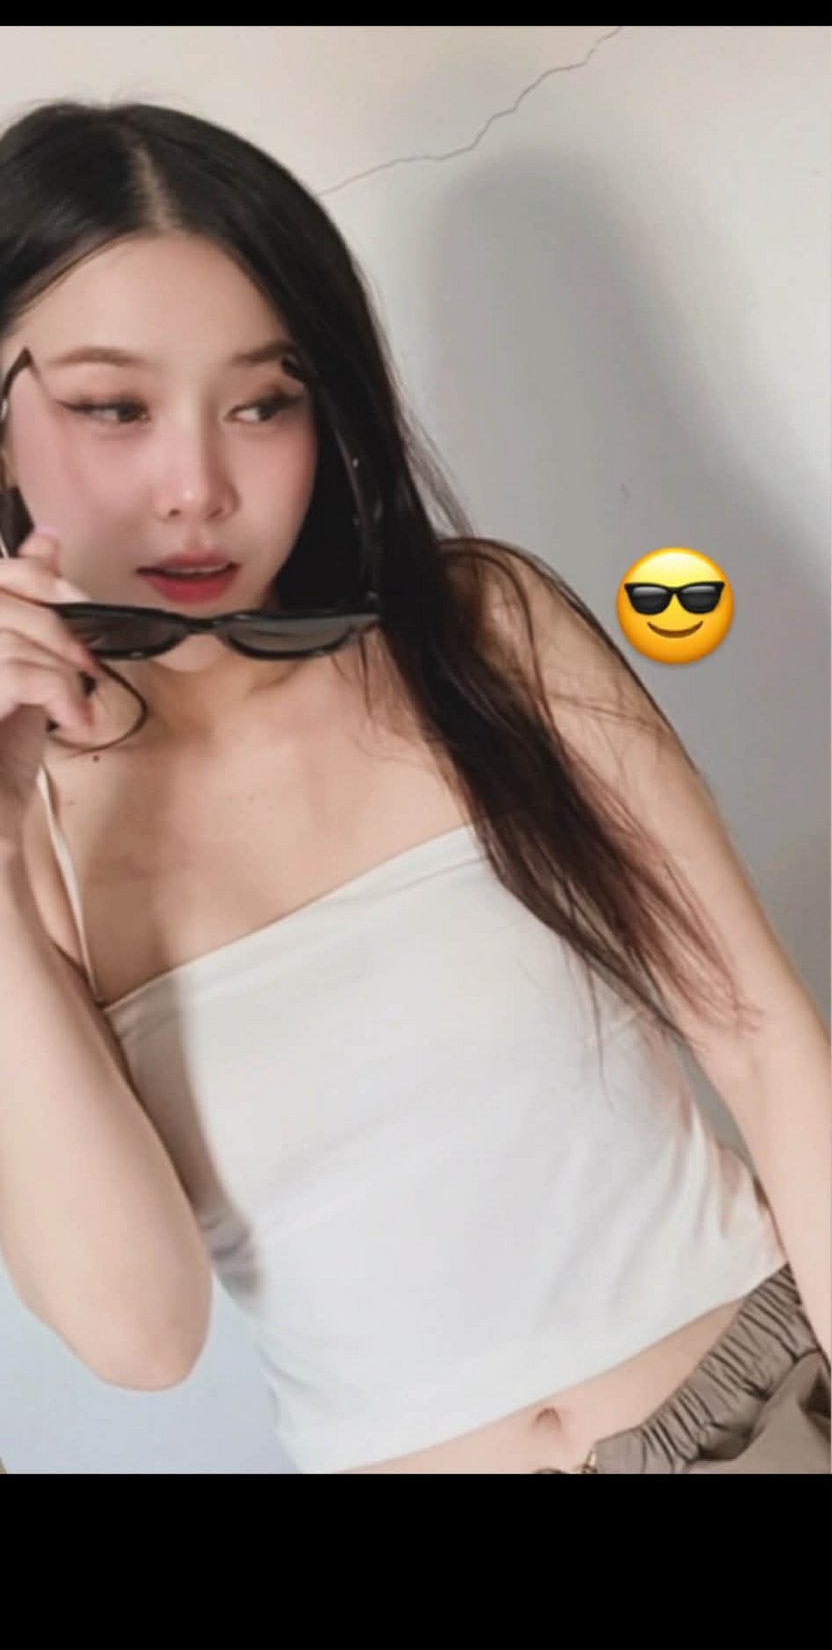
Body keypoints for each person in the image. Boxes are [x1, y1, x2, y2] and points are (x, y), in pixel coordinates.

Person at [0, 99, 828, 1477]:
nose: (197, 487)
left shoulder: (479, 633)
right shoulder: (30, 839)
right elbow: (141, 1338)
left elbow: (762, 1038)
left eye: (262, 402)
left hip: (762, 1416)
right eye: (113, 409)